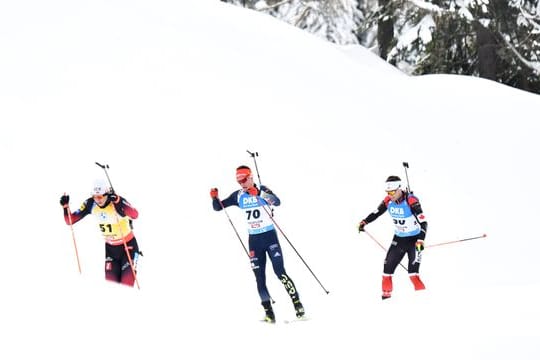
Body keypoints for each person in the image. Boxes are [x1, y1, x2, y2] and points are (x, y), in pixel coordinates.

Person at [210, 165, 305, 323]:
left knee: (279, 272)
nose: (242, 183)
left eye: (244, 180)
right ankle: (269, 313)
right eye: (239, 180)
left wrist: (260, 193)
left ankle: (298, 305)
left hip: (270, 238)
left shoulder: (262, 189)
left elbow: (277, 202)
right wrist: (214, 198)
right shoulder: (238, 195)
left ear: (251, 177)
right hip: (254, 241)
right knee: (259, 278)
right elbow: (218, 208)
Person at [60, 179, 141, 287]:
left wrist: (118, 200)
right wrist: (65, 207)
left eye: (100, 196)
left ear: (107, 194)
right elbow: (70, 220)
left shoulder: (115, 201)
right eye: (94, 196)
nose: (97, 200)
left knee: (126, 284)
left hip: (128, 247)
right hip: (111, 250)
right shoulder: (90, 203)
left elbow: (135, 215)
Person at [358, 175, 428, 299]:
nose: (390, 195)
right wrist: (365, 221)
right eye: (388, 192)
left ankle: (424, 298)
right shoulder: (387, 200)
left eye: (392, 192)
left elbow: (424, 222)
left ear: (399, 188)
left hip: (414, 240)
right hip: (399, 239)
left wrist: (420, 240)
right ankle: (386, 297)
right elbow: (376, 213)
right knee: (387, 270)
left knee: (413, 275)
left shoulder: (411, 200)